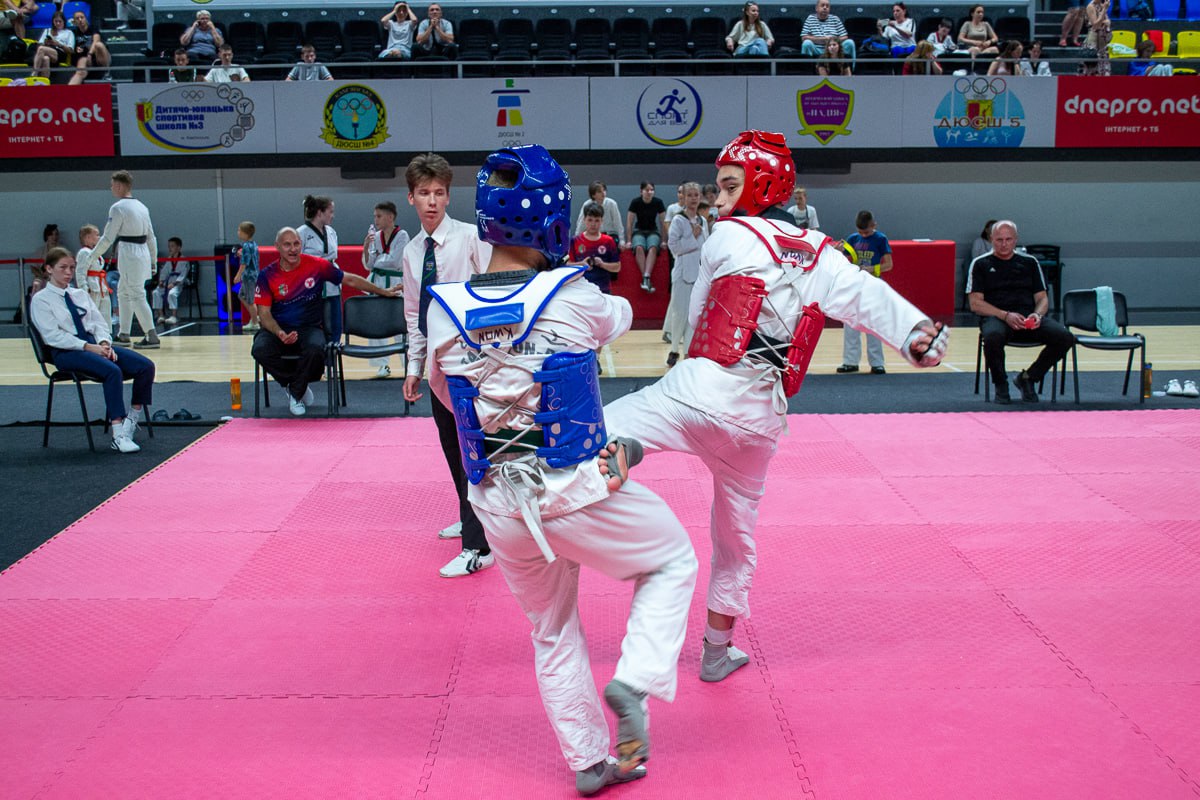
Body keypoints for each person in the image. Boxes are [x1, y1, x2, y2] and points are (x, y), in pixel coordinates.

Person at [605, 130, 948, 683]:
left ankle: (627, 445)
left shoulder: (726, 236)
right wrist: (916, 334)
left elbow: (697, 315)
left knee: (600, 426)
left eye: (727, 187)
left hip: (699, 391)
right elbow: (868, 298)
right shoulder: (825, 254)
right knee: (735, 541)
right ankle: (717, 653)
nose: (718, 200)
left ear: (759, 187)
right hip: (759, 419)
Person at [425, 143, 697, 795]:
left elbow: (446, 393)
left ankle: (589, 759)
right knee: (672, 561)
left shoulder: (442, 308)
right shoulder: (573, 294)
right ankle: (636, 677)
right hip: (573, 486)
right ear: (551, 219)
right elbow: (620, 318)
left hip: (498, 500)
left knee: (551, 630)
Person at [400, 152, 495, 577]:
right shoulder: (412, 251)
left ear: (449, 196)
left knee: (474, 450)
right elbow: (414, 313)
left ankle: (479, 546)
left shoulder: (471, 238)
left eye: (439, 192)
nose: (432, 201)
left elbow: (495, 294)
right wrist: (413, 366)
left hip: (472, 363)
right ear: (411, 198)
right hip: (437, 366)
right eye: (424, 193)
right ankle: (467, 512)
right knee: (452, 449)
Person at [252, 227, 400, 416]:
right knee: (259, 350)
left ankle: (295, 391)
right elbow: (264, 314)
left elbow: (350, 280)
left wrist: (383, 291)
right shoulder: (267, 275)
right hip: (277, 328)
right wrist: (279, 332)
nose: (293, 249)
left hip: (308, 328)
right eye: (287, 245)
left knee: (317, 350)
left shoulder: (316, 265)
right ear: (277, 247)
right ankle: (296, 386)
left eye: (296, 244)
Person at [31, 247, 155, 454]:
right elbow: (53, 336)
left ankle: (131, 421)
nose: (68, 272)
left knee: (145, 366)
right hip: (66, 351)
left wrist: (104, 343)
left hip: (93, 345)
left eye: (72, 268)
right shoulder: (41, 300)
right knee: (112, 371)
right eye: (63, 268)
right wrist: (89, 347)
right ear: (49, 269)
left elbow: (98, 323)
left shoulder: (79, 294)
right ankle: (118, 433)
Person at [966, 220, 1074, 404]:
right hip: (997, 318)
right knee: (992, 336)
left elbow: (1042, 298)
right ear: (991, 239)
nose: (1004, 244)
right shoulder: (980, 264)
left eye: (1008, 239)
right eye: (999, 240)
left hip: (1028, 318)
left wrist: (1037, 315)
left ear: (1015, 240)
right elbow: (975, 304)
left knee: (1065, 337)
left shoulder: (1030, 262)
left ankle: (1029, 378)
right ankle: (1001, 385)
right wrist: (1005, 315)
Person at [79, 171, 160, 350]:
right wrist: (153, 260)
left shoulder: (117, 208)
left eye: (112, 185)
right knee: (123, 292)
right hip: (142, 252)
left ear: (119, 186)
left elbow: (108, 237)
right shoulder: (142, 206)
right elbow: (151, 237)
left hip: (130, 253)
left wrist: (91, 256)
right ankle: (124, 333)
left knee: (136, 294)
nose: (111, 188)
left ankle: (151, 335)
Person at [838, 210, 893, 375]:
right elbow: (841, 260)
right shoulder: (852, 239)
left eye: (867, 232)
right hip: (854, 285)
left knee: (873, 324)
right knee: (850, 323)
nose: (863, 235)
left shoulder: (880, 239)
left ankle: (877, 363)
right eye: (860, 232)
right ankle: (850, 361)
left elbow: (889, 264)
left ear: (874, 225)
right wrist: (837, 251)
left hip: (872, 284)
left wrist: (872, 268)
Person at [361, 200, 410, 378]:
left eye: (379, 216)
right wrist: (366, 247)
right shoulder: (375, 237)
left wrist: (379, 259)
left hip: (395, 281)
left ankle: (408, 364)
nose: (376, 220)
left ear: (390, 217)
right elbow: (369, 265)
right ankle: (382, 365)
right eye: (375, 216)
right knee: (377, 322)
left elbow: (395, 261)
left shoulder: (402, 235)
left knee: (399, 322)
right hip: (378, 282)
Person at [665, 182, 707, 368]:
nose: (693, 198)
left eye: (696, 195)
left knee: (694, 315)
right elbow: (674, 247)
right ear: (683, 197)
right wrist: (692, 237)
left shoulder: (703, 221)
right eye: (690, 195)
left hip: (698, 274)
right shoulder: (678, 220)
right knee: (679, 313)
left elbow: (705, 247)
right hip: (682, 273)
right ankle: (674, 349)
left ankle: (689, 351)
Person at [298, 195, 340, 341]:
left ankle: (333, 351)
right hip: (311, 283)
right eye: (330, 211)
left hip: (332, 280)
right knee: (314, 324)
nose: (332, 215)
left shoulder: (331, 232)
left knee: (334, 324)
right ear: (319, 213)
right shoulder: (301, 233)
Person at [570, 201, 621, 296]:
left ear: (602, 221)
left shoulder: (608, 241)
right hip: (581, 290)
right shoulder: (575, 240)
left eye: (597, 220)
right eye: (590, 220)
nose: (593, 224)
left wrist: (602, 264)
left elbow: (617, 267)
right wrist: (582, 264)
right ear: (584, 220)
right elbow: (568, 265)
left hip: (603, 290)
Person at [625, 182, 666, 293]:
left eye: (652, 190)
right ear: (641, 191)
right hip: (639, 231)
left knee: (653, 247)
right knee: (639, 247)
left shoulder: (658, 202)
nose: (649, 192)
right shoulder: (635, 202)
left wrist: (663, 240)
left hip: (653, 231)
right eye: (647, 190)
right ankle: (646, 278)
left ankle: (646, 276)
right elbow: (629, 222)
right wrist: (629, 240)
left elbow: (663, 222)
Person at [75, 224, 111, 330]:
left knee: (105, 313)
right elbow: (80, 272)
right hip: (92, 286)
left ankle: (106, 334)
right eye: (96, 235)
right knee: (92, 314)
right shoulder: (84, 252)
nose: (99, 237)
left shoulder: (96, 252)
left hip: (101, 286)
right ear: (88, 237)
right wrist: (83, 288)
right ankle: (92, 334)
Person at [801, 0, 857, 68]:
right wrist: (823, 39)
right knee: (806, 43)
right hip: (818, 49)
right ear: (816, 8)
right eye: (822, 5)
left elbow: (845, 37)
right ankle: (806, 70)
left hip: (835, 49)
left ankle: (851, 69)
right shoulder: (810, 19)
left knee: (850, 42)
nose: (825, 7)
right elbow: (804, 38)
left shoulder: (835, 19)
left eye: (827, 6)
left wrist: (832, 41)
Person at [152, 237, 193, 326]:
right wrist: (161, 281)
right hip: (168, 281)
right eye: (169, 246)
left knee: (172, 293)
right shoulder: (169, 259)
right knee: (156, 292)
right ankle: (161, 315)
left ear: (179, 247)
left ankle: (174, 316)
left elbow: (183, 274)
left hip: (179, 283)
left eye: (172, 246)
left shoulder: (184, 260)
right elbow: (164, 272)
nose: (170, 248)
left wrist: (174, 283)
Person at [69, 9, 109, 85]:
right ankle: (69, 89)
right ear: (74, 22)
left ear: (85, 18)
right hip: (84, 58)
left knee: (99, 45)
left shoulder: (93, 28)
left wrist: (90, 54)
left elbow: (96, 40)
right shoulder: (74, 33)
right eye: (77, 18)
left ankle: (107, 72)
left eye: (82, 17)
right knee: (80, 71)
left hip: (99, 56)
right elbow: (75, 49)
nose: (80, 20)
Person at [232, 221, 260, 330]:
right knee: (241, 295)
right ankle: (254, 317)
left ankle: (255, 322)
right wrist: (242, 254)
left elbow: (244, 263)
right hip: (253, 275)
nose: (238, 232)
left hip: (249, 277)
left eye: (239, 230)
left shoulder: (246, 246)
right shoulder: (253, 244)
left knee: (250, 300)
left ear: (245, 233)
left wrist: (238, 275)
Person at [31, 11, 75, 80]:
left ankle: (34, 73)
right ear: (53, 22)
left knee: (41, 49)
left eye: (60, 21)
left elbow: (71, 50)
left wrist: (58, 44)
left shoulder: (69, 33)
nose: (58, 23)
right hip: (48, 50)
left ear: (64, 21)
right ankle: (45, 82)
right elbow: (39, 44)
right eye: (56, 21)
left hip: (60, 53)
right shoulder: (48, 30)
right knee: (45, 58)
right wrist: (46, 43)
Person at [958, 5, 999, 72]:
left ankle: (992, 71)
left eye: (982, 12)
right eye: (978, 12)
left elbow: (995, 38)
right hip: (971, 48)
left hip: (983, 49)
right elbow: (960, 38)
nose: (981, 14)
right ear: (972, 14)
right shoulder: (967, 24)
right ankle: (973, 71)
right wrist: (973, 42)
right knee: (975, 49)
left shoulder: (986, 24)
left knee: (995, 49)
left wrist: (989, 41)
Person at [1084, 0, 1112, 76]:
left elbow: (1107, 21)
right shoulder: (1091, 6)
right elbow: (1095, 25)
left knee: (1104, 73)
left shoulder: (1101, 5)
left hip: (1102, 43)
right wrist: (1104, 9)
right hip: (1093, 43)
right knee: (1093, 73)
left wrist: (1107, 21)